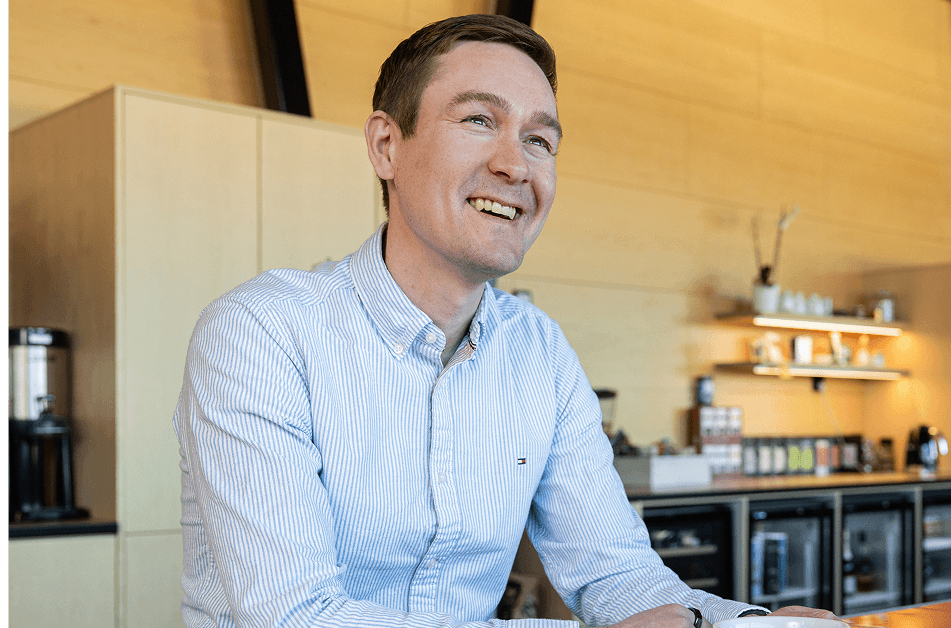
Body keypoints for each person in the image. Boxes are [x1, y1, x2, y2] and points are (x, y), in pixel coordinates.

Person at [173, 13, 839, 628]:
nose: (515, 164)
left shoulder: (539, 352)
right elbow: (300, 616)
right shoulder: (261, 333)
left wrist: (752, 624)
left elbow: (619, 574)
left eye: (539, 139)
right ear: (385, 146)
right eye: (478, 121)